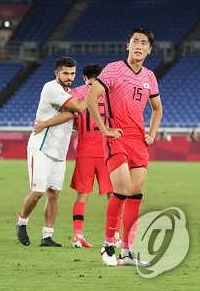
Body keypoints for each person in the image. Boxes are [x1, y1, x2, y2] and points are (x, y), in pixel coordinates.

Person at [85, 28, 163, 267]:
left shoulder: (150, 76)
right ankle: (109, 245)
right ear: (127, 45)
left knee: (135, 196)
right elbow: (91, 98)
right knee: (121, 190)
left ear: (149, 49)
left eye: (144, 43)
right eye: (135, 41)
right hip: (116, 138)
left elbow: (157, 108)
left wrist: (151, 133)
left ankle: (128, 252)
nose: (139, 46)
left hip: (138, 141)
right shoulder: (113, 70)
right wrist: (105, 128)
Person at [15, 56, 88, 248]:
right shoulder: (51, 88)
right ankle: (22, 221)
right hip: (40, 146)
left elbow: (73, 120)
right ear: (56, 73)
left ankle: (47, 236)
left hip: (59, 151)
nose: (69, 77)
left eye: (72, 74)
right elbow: (79, 108)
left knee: (54, 193)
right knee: (38, 191)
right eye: (65, 73)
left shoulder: (69, 93)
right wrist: (94, 91)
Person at [67, 63, 110, 248]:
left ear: (84, 77)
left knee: (82, 196)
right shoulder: (108, 93)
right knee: (113, 196)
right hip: (106, 151)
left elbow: (69, 118)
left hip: (84, 151)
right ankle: (114, 236)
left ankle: (77, 236)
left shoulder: (76, 93)